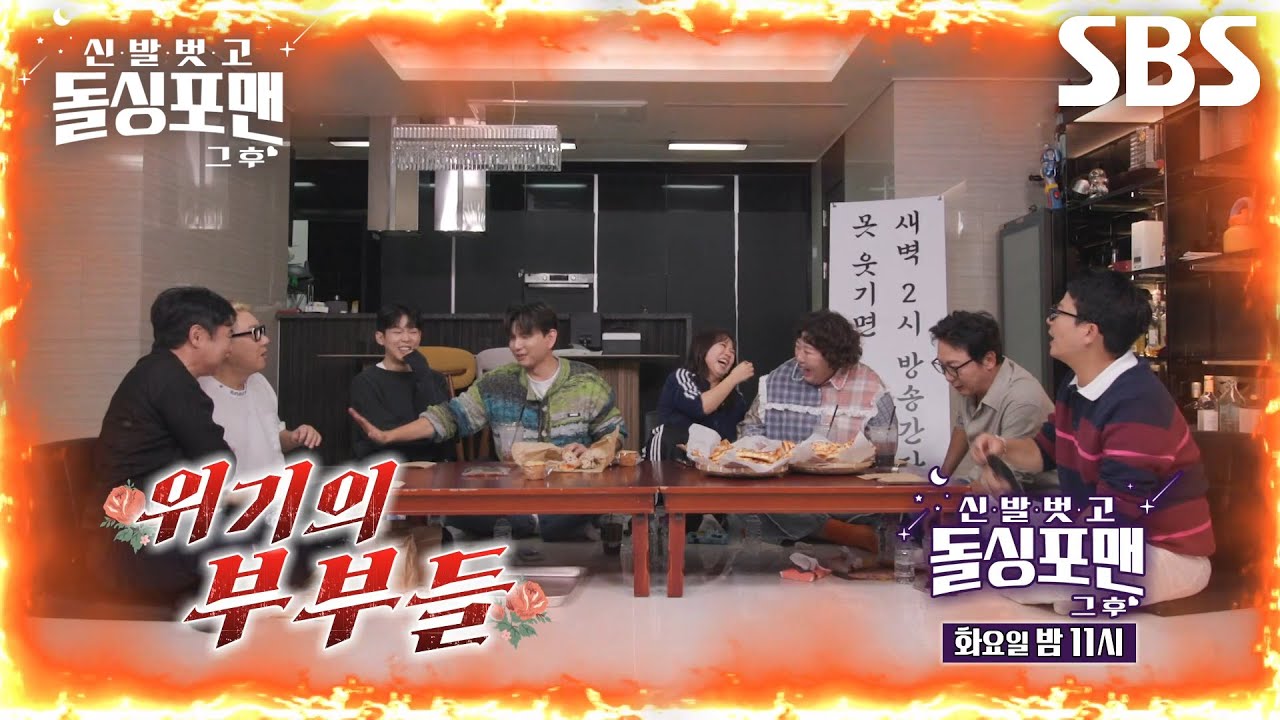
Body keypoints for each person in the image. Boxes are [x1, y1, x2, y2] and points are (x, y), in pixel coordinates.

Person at [970, 270, 1214, 612]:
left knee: (1010, 571)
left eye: (1058, 313)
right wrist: (1002, 448)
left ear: (1089, 331)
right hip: (1107, 540)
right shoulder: (1076, 384)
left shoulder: (1137, 402)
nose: (1049, 321)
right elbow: (1044, 451)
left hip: (1167, 554)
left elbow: (1115, 514)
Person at [348, 302, 626, 541]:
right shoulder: (497, 383)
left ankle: (538, 523)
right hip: (514, 493)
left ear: (550, 337)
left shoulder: (586, 380)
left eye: (525, 336)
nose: (516, 346)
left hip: (569, 490)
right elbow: (449, 417)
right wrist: (389, 436)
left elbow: (615, 433)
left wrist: (592, 451)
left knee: (591, 504)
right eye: (512, 338)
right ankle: (538, 524)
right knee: (457, 511)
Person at [92, 286, 236, 605]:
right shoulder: (172, 382)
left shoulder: (153, 372)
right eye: (228, 335)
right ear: (197, 336)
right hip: (136, 547)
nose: (230, 347)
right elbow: (220, 463)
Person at [739, 310, 897, 551]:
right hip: (785, 488)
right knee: (748, 501)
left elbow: (886, 448)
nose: (799, 357)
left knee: (883, 511)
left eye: (808, 351)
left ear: (833, 355)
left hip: (846, 493)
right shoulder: (777, 380)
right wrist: (759, 450)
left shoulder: (871, 385)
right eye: (797, 347)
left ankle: (806, 529)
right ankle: (841, 533)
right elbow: (750, 428)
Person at [930, 310, 1056, 490]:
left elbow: (1006, 478)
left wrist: (948, 497)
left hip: (1030, 494)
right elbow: (962, 426)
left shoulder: (1022, 399)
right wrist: (940, 480)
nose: (948, 377)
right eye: (943, 367)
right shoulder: (969, 381)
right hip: (983, 481)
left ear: (988, 360)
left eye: (953, 367)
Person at [199, 303, 322, 478]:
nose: (266, 340)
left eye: (262, 331)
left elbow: (274, 438)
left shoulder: (259, 382)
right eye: (255, 333)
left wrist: (294, 436)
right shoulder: (199, 395)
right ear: (226, 344)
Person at [348, 304, 455, 463]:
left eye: (413, 332)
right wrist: (426, 432)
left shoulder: (434, 378)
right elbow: (381, 436)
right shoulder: (365, 382)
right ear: (380, 338)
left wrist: (423, 374)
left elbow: (444, 428)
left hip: (432, 467)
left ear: (420, 336)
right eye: (397, 332)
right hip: (386, 467)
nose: (406, 338)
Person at [646, 328, 753, 463]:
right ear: (703, 349)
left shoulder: (736, 397)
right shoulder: (682, 377)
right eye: (722, 345)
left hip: (709, 465)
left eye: (732, 351)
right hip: (669, 456)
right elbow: (699, 407)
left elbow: (737, 437)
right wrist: (733, 378)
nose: (729, 354)